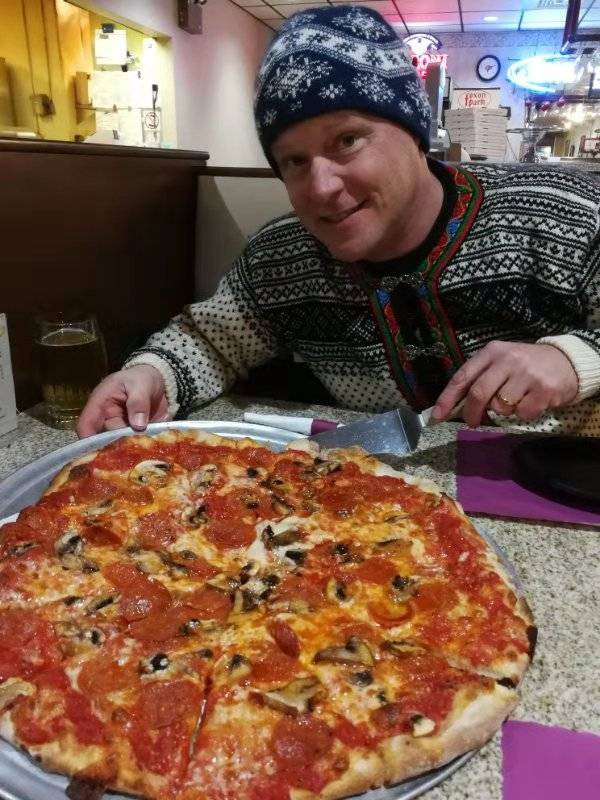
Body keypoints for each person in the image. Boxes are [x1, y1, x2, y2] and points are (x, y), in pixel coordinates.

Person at [77, 4, 600, 439]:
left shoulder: (566, 214)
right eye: (294, 161)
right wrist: (150, 373)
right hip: (366, 509)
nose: (321, 186)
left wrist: (576, 360)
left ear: (415, 134)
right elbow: (211, 342)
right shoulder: (281, 258)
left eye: (347, 140)